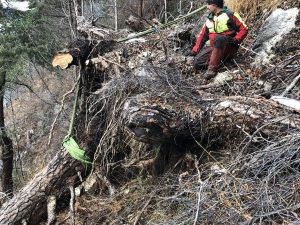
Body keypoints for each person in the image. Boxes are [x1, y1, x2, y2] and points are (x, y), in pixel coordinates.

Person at [188, 0, 248, 80]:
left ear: (215, 5)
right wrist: (194, 51)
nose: (207, 7)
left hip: (229, 47)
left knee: (219, 38)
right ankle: (219, 59)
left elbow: (244, 29)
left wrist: (236, 40)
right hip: (215, 49)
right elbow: (202, 36)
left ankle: (212, 69)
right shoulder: (209, 19)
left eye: (209, 4)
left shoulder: (230, 14)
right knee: (197, 63)